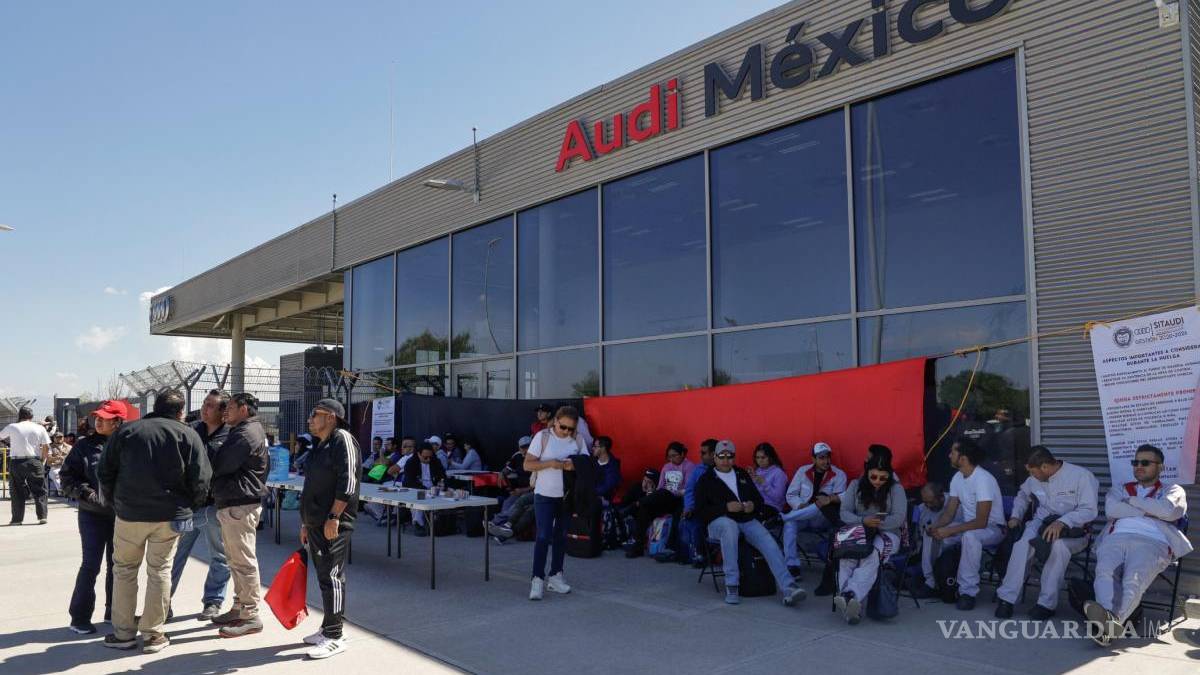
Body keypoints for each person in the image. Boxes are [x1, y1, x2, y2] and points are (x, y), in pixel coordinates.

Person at [98, 390, 211, 654]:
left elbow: (105, 471)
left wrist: (117, 502)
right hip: (169, 516)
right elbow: (202, 477)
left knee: (124, 570)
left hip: (129, 514)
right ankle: (153, 634)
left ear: (154, 406)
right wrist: (189, 506)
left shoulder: (127, 432)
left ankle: (123, 633)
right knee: (160, 571)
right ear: (181, 411)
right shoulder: (187, 434)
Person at [1085, 444, 1192, 646]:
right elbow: (1111, 510)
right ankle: (1110, 624)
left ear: (1160, 467)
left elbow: (1168, 511)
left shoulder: (1173, 489)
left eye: (1145, 462)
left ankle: (1108, 624)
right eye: (1135, 462)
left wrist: (1132, 501)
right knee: (1104, 571)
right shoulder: (1120, 488)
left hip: (1154, 541)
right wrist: (1150, 511)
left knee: (1133, 580)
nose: (1139, 466)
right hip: (1116, 536)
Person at [694, 440, 807, 606]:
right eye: (722, 456)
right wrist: (725, 507)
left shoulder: (741, 474)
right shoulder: (706, 479)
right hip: (719, 522)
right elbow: (700, 511)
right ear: (715, 457)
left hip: (744, 518)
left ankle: (788, 586)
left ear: (734, 457)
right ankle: (732, 585)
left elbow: (758, 500)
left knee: (767, 540)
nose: (725, 460)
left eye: (729, 456)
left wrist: (752, 506)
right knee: (729, 527)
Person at [995, 446, 1098, 620]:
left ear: (1044, 466)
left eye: (1033, 472)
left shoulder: (1082, 476)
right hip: (1041, 523)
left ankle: (1046, 604)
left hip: (1075, 531)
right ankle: (1007, 598)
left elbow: (1090, 510)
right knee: (1022, 545)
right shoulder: (1034, 479)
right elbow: (1022, 496)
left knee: (1058, 548)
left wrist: (1063, 522)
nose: (1031, 476)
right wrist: (1016, 516)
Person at [299, 398, 361, 660]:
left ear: (331, 417)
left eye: (315, 414)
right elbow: (311, 485)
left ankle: (335, 636)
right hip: (316, 522)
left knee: (332, 576)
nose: (310, 419)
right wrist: (306, 522)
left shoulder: (342, 439)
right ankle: (328, 627)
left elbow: (348, 482)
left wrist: (334, 516)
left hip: (333, 522)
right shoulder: (319, 444)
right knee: (324, 576)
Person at [60, 400, 127, 633]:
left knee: (118, 566)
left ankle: (114, 612)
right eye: (97, 417)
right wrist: (86, 493)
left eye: (104, 418)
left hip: (122, 517)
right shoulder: (83, 446)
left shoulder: (129, 446)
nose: (98, 421)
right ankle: (79, 617)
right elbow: (67, 478)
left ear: (117, 422)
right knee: (90, 565)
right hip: (92, 515)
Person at [209, 393, 269, 638]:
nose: (226, 411)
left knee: (243, 561)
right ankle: (239, 606)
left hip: (240, 504)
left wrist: (212, 448)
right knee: (235, 560)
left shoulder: (245, 433)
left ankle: (251, 615)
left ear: (244, 409)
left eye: (231, 407)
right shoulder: (246, 430)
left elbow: (220, 464)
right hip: (237, 502)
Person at [169, 389, 231, 622]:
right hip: (188, 507)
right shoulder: (191, 430)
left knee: (220, 557)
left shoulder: (230, 436)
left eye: (211, 405)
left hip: (214, 507)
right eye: (205, 403)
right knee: (173, 556)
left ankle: (213, 601)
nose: (205, 408)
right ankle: (162, 602)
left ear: (223, 412)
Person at [928, 437, 1005, 610]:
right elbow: (949, 513)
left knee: (970, 537)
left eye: (952, 452)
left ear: (963, 458)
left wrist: (951, 530)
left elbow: (981, 522)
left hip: (993, 529)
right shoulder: (957, 478)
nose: (949, 455)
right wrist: (936, 527)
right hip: (970, 526)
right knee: (936, 534)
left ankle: (967, 592)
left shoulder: (983, 479)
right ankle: (935, 582)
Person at [834, 455, 908, 624]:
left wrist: (876, 523)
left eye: (883, 478)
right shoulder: (855, 485)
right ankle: (851, 608)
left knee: (872, 554)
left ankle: (850, 595)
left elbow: (898, 518)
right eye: (873, 477)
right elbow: (844, 512)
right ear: (867, 473)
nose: (877, 481)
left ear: (889, 476)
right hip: (859, 529)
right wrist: (862, 521)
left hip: (888, 532)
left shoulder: (896, 489)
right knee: (847, 556)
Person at [524, 405, 587, 600]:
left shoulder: (577, 440)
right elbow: (527, 464)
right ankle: (537, 579)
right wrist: (551, 463)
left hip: (566, 496)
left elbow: (586, 464)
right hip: (544, 495)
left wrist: (573, 464)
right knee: (543, 536)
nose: (566, 431)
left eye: (571, 428)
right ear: (555, 422)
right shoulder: (542, 437)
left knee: (561, 536)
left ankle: (556, 576)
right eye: (563, 427)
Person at [782, 442, 847, 578]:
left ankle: (783, 517)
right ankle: (792, 565)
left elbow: (843, 498)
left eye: (827, 457)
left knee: (817, 506)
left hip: (822, 518)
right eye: (821, 458)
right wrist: (800, 505)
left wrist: (829, 499)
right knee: (789, 524)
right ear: (813, 459)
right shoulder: (803, 471)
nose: (826, 461)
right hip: (802, 515)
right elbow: (791, 495)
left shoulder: (839, 474)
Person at [626, 442, 696, 558]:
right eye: (669, 456)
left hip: (679, 500)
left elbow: (688, 489)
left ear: (682, 454)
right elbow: (659, 487)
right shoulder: (666, 467)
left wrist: (672, 492)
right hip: (664, 498)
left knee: (663, 494)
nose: (671, 459)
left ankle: (636, 504)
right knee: (645, 508)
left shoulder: (689, 467)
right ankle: (638, 546)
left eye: (674, 456)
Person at [1, 405, 51, 524]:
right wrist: (42, 461)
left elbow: (1, 436)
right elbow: (46, 446)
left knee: (16, 491)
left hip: (16, 462)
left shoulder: (12, 426)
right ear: (32, 416)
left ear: (20, 415)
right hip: (34, 461)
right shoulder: (39, 428)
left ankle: (17, 519)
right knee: (40, 489)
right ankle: (42, 517)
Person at [913, 481, 959, 598]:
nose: (928, 505)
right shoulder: (922, 508)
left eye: (931, 502)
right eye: (925, 502)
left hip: (957, 540)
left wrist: (947, 531)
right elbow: (919, 535)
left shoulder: (954, 503)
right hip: (934, 546)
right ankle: (930, 580)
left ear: (941, 496)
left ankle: (930, 583)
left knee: (935, 534)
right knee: (930, 535)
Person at [488, 436, 535, 540]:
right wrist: (502, 473)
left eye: (527, 447)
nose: (525, 450)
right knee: (507, 503)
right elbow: (507, 469)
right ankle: (500, 530)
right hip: (519, 490)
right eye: (523, 447)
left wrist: (523, 490)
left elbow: (538, 484)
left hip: (531, 491)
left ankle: (496, 524)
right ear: (519, 448)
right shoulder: (517, 456)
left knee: (515, 506)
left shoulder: (537, 459)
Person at [679, 438, 718, 565]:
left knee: (698, 522)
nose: (700, 456)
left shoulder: (722, 469)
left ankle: (702, 554)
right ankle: (691, 554)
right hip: (699, 508)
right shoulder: (698, 469)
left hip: (717, 509)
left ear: (713, 454)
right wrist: (689, 507)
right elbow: (689, 490)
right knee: (686, 520)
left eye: (703, 453)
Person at [403, 441, 449, 536]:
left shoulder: (436, 461)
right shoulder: (411, 462)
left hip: (434, 488)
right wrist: (425, 489)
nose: (428, 459)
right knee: (420, 498)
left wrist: (442, 483)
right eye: (425, 457)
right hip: (417, 488)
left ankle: (440, 523)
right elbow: (409, 482)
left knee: (451, 494)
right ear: (418, 454)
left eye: (430, 457)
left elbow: (443, 476)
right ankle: (418, 524)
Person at [750, 443, 788, 515]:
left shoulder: (778, 473)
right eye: (757, 457)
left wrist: (764, 484)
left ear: (770, 457)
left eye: (763, 457)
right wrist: (749, 480)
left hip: (772, 507)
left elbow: (778, 498)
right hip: (757, 504)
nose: (760, 460)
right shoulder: (757, 471)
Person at [592, 436, 622, 504]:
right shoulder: (592, 459)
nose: (593, 448)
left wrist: (589, 491)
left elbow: (605, 488)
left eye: (595, 446)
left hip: (602, 499)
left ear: (603, 449)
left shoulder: (612, 468)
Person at [46, 431, 71, 496]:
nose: (59, 439)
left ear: (63, 438)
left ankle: (62, 490)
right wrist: (58, 458)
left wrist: (63, 459)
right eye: (57, 437)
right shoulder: (50, 447)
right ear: (54, 438)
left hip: (67, 466)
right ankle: (62, 490)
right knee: (56, 474)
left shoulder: (69, 447)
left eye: (60, 437)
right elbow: (49, 458)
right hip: (55, 466)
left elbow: (73, 457)